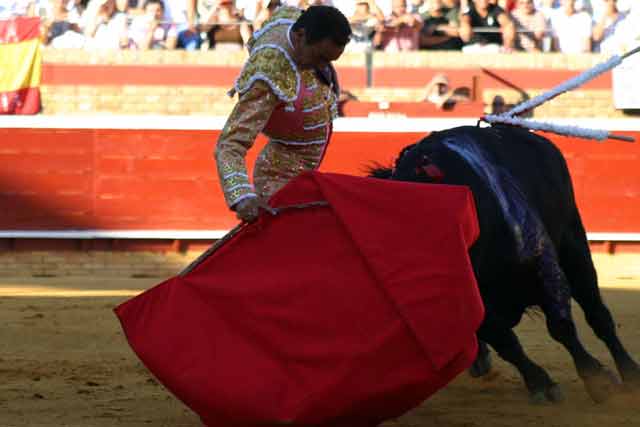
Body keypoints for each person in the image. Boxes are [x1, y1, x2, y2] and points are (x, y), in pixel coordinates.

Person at [215, 5, 352, 222]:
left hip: (303, 170)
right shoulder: (269, 75)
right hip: (279, 177)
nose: (323, 67)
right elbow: (230, 144)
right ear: (299, 36)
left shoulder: (295, 19)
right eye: (320, 57)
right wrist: (241, 195)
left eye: (330, 61)